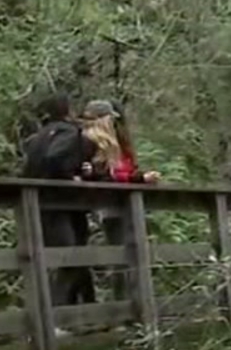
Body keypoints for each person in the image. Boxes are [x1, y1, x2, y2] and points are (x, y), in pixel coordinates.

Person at [19, 92, 98, 307]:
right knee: (70, 257)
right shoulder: (70, 133)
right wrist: (70, 176)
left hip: (37, 204)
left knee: (74, 257)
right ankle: (57, 316)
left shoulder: (37, 138)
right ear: (68, 111)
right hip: (61, 203)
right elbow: (55, 157)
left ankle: (86, 311)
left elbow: (29, 169)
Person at [78, 99, 161, 300]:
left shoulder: (113, 142)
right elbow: (107, 173)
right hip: (110, 204)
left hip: (121, 202)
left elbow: (120, 169)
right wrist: (139, 178)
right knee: (122, 255)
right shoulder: (91, 141)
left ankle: (131, 304)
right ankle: (124, 305)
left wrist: (137, 175)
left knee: (129, 254)